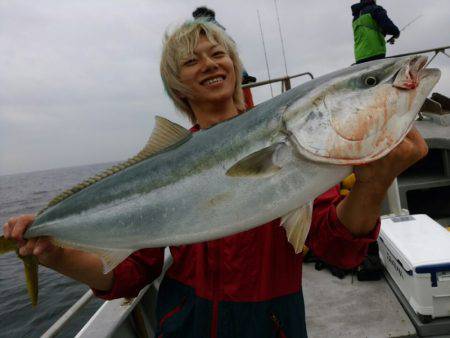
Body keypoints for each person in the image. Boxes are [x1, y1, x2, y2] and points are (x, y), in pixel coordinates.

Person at [3, 20, 428, 337]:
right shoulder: (172, 156)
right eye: (191, 60)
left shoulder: (312, 157)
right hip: (186, 320)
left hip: (273, 320)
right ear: (178, 86)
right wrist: (53, 255)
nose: (209, 63)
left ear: (234, 66)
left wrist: (375, 181)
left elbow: (336, 250)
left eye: (217, 54)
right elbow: (126, 273)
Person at [193, 6, 257, 108]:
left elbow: (231, 54)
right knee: (247, 108)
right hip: (238, 77)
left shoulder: (209, 32)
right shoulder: (221, 32)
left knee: (241, 108)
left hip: (235, 79)